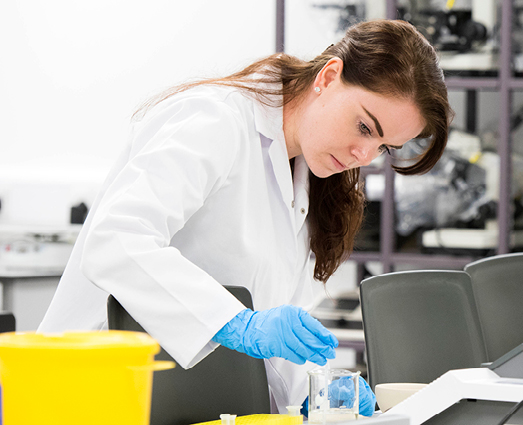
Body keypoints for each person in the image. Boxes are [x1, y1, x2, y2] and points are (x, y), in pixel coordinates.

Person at [38, 19, 451, 415]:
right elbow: (115, 241)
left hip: (188, 401)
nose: (365, 156)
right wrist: (235, 322)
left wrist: (316, 386)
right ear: (328, 77)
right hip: (92, 390)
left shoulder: (308, 178)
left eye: (384, 146)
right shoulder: (217, 121)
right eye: (364, 126)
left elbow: (273, 329)